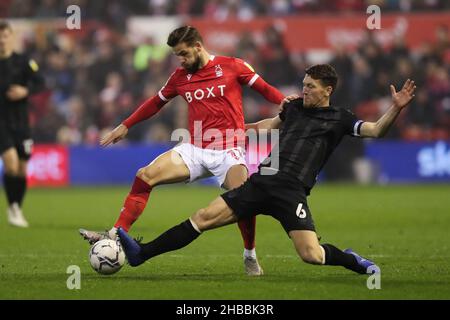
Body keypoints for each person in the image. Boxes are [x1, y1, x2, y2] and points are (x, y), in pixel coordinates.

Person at [116, 64, 416, 275]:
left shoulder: (340, 118)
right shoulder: (294, 108)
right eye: (303, 85)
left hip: (291, 192)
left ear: (328, 90)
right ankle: (142, 254)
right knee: (203, 218)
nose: (304, 91)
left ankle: (351, 260)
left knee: (312, 255)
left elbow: (376, 130)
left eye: (310, 87)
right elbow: (266, 126)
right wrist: (228, 132)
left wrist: (396, 108)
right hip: (262, 182)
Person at [80, 26, 289, 276]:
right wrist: (126, 125)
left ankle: (250, 255)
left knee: (243, 197)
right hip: (195, 147)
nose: (180, 60)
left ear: (198, 47)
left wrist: (284, 102)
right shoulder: (179, 77)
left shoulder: (233, 66)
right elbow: (155, 103)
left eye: (183, 54)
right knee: (145, 175)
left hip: (229, 150)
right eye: (177, 55)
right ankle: (115, 235)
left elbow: (264, 88)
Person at [0, 21, 44, 228]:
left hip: (21, 122)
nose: (2, 39)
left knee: (22, 168)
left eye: (5, 35)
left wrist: (25, 91)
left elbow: (41, 82)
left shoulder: (23, 62)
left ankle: (16, 207)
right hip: (1, 122)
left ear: (11, 37)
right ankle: (13, 208)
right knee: (11, 162)